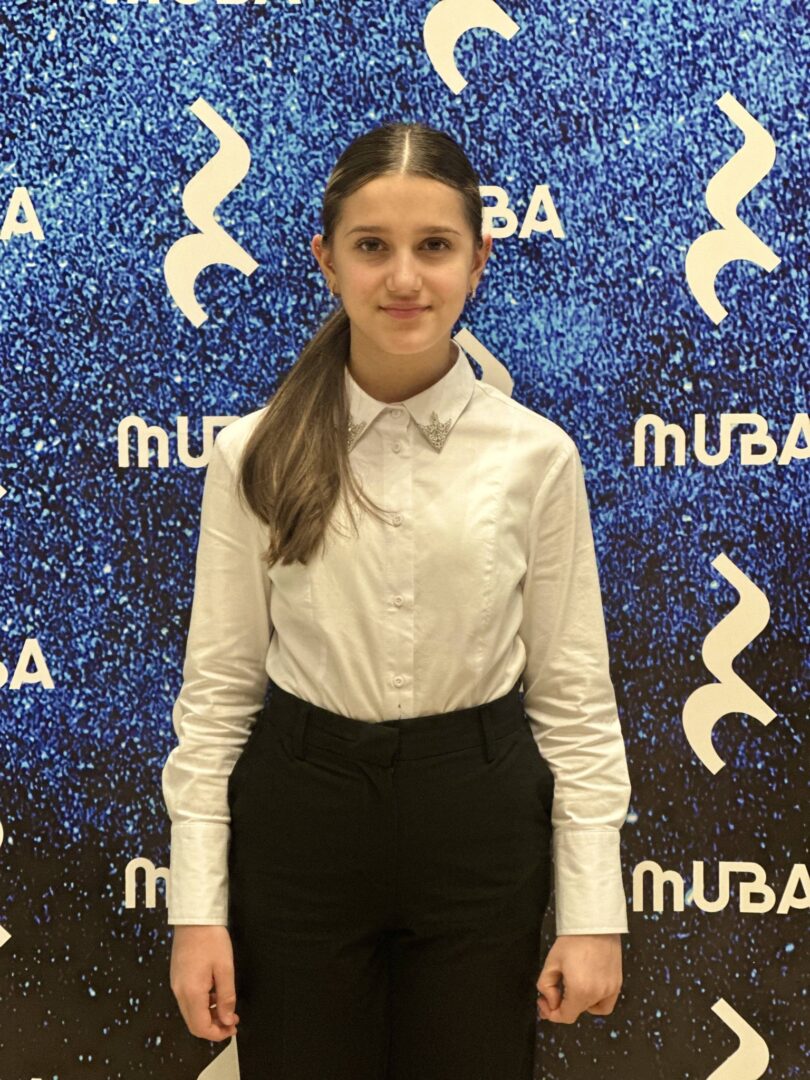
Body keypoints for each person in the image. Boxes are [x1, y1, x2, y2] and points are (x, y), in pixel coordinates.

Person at [162, 120, 632, 1079]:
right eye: (373, 246)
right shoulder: (253, 454)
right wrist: (197, 910)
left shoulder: (538, 458)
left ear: (478, 261)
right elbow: (216, 698)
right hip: (302, 821)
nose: (404, 278)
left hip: (477, 822)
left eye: (435, 246)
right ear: (326, 261)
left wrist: (593, 914)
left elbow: (574, 701)